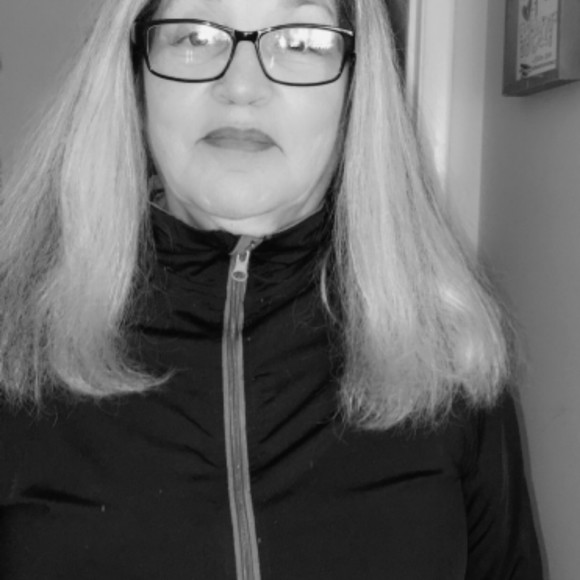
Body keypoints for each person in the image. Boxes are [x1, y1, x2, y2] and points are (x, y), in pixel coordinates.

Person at [0, 0, 543, 578]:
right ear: (133, 77)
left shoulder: (448, 352)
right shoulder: (15, 347)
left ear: (356, 90)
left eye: (302, 39)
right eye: (194, 35)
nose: (241, 86)